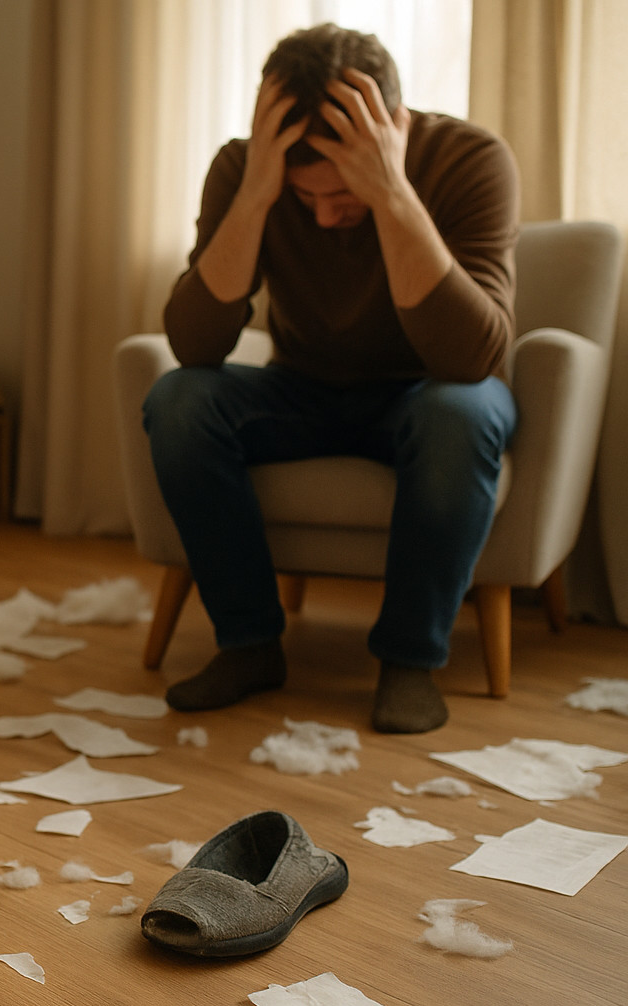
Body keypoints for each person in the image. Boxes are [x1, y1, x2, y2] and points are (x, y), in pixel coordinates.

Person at [143, 23, 521, 733]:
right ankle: (249, 645)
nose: (322, 214)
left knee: (462, 413)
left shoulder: (472, 159)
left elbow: (472, 359)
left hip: (427, 392)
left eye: (340, 192)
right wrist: (257, 192)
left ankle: (411, 661)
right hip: (301, 388)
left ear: (394, 129)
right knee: (180, 400)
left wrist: (391, 198)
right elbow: (195, 344)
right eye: (303, 193)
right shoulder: (248, 169)